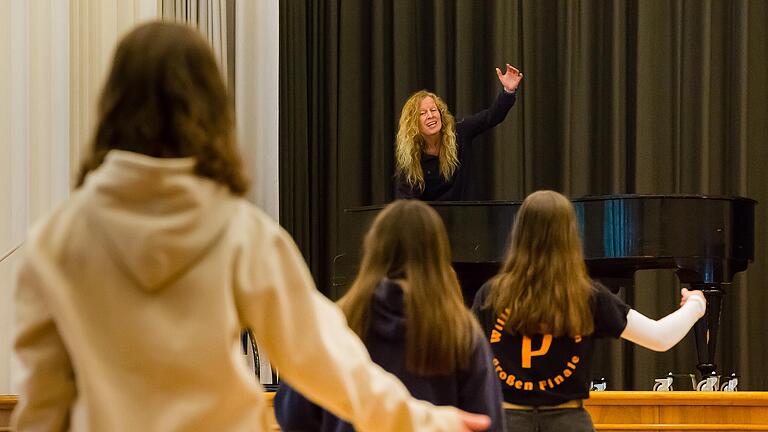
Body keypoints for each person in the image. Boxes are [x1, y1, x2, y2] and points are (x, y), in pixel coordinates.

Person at [11, 21, 492, 432]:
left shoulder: (55, 241)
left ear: (110, 107)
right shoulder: (241, 234)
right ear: (210, 110)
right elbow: (329, 365)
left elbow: (42, 408)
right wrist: (431, 421)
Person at [471, 190, 707, 432]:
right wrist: (695, 305)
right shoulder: (587, 295)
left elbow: (465, 361)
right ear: (570, 235)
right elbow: (660, 337)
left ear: (519, 233)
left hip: (507, 422)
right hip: (569, 423)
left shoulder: (490, 294)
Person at [274, 200, 505, 432]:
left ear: (373, 250)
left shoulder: (336, 323)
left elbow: (293, 415)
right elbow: (486, 422)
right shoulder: (462, 332)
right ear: (438, 255)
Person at [394, 64, 524, 201]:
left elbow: (491, 117)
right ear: (413, 124)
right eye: (422, 113)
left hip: (465, 216)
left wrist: (508, 91)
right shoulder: (410, 156)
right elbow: (405, 201)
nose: (430, 116)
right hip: (431, 220)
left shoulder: (459, 131)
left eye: (433, 110)